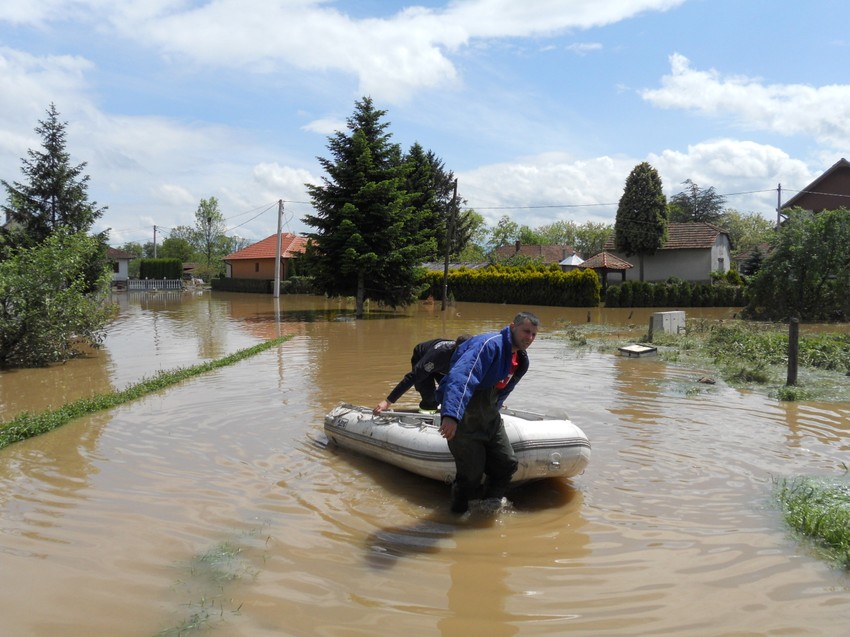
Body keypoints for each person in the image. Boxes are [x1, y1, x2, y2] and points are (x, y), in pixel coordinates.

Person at [436, 311, 540, 514]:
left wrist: (495, 408)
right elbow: (462, 377)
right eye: (526, 331)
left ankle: (489, 504)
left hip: (490, 417)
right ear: (512, 327)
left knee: (507, 463)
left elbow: (503, 390)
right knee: (471, 475)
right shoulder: (489, 345)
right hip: (465, 417)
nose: (529, 338)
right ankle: (457, 516)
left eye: (534, 334)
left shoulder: (521, 360)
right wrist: (451, 415)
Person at [373, 335, 470, 415]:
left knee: (450, 393)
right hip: (424, 357)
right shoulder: (437, 357)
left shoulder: (473, 355)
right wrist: (388, 401)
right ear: (456, 351)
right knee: (430, 398)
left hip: (443, 366)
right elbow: (412, 378)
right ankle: (426, 417)